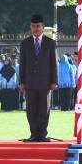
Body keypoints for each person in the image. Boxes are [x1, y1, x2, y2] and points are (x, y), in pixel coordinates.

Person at [19, 14, 58, 142]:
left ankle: (42, 134)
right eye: (33, 26)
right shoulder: (25, 43)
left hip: (45, 83)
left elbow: (53, 63)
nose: (35, 28)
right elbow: (22, 64)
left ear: (43, 27)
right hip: (29, 83)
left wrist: (54, 81)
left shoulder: (50, 43)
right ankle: (34, 134)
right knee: (31, 109)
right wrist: (21, 82)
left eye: (38, 26)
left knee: (44, 109)